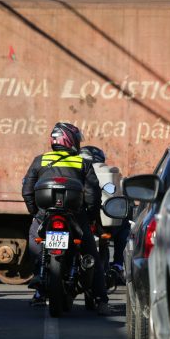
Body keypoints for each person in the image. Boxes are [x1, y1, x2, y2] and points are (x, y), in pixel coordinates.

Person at [21, 123, 110, 316]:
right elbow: (93, 194)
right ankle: (101, 299)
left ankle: (38, 287)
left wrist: (36, 213)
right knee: (91, 253)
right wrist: (91, 218)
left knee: (35, 244)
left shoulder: (40, 160)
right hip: (76, 216)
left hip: (45, 214)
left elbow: (27, 190)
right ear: (71, 140)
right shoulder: (82, 163)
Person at [80, 145, 130, 284]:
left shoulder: (71, 169)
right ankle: (118, 264)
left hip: (79, 218)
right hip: (100, 219)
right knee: (124, 227)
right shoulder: (108, 172)